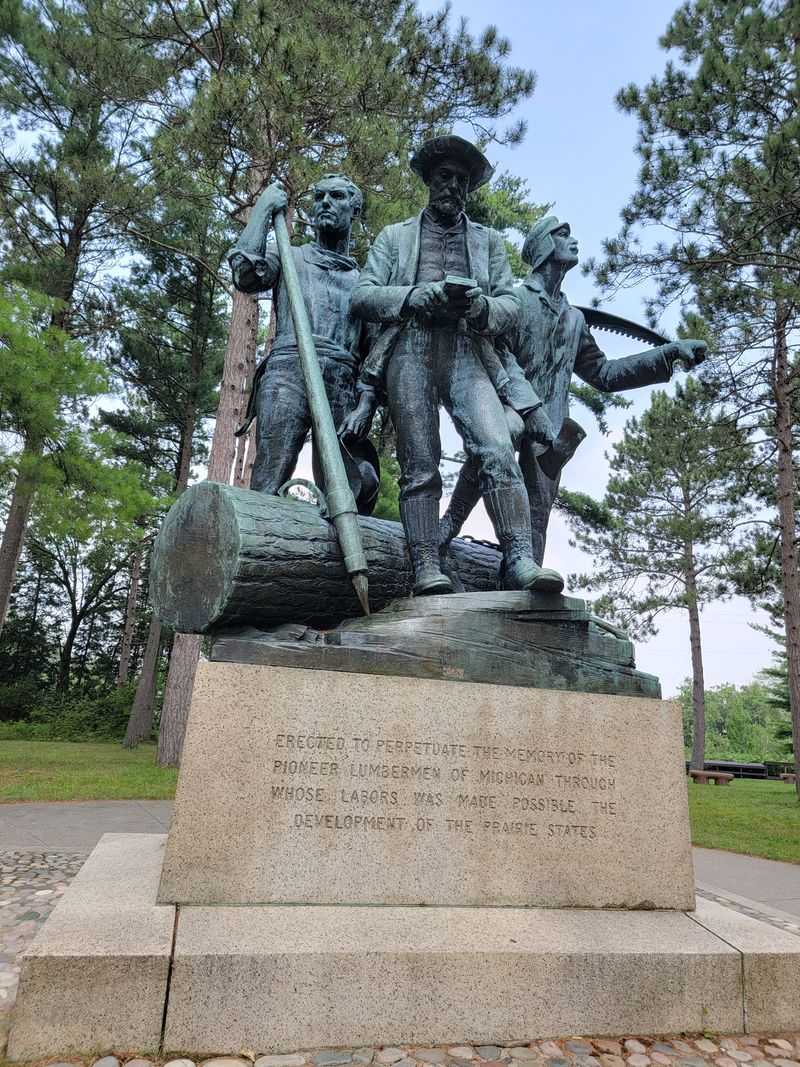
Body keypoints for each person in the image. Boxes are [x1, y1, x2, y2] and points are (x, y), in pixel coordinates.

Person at [341, 135, 563, 597]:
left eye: (462, 182)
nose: (454, 188)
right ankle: (425, 564)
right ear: (429, 180)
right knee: (420, 464)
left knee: (496, 449)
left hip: (468, 349)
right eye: (446, 178)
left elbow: (511, 305)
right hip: (411, 347)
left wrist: (481, 307)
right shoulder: (395, 237)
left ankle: (519, 557)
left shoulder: (488, 242)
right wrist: (410, 296)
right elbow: (362, 296)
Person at [439, 216, 708, 564]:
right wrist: (524, 405)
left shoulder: (574, 320)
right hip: (507, 407)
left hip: (550, 431)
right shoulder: (516, 300)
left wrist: (668, 353)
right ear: (544, 246)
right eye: (563, 235)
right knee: (492, 450)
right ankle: (449, 524)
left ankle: (525, 582)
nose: (574, 241)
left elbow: (605, 374)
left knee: (537, 514)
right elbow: (492, 351)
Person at [229, 173, 376, 505]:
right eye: (319, 196)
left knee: (352, 486)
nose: (324, 202)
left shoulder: (365, 282)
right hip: (287, 370)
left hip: (342, 378)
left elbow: (376, 352)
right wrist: (262, 210)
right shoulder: (288, 255)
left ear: (354, 209)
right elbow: (245, 275)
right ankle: (258, 542)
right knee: (270, 473)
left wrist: (367, 403)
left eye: (336, 196)